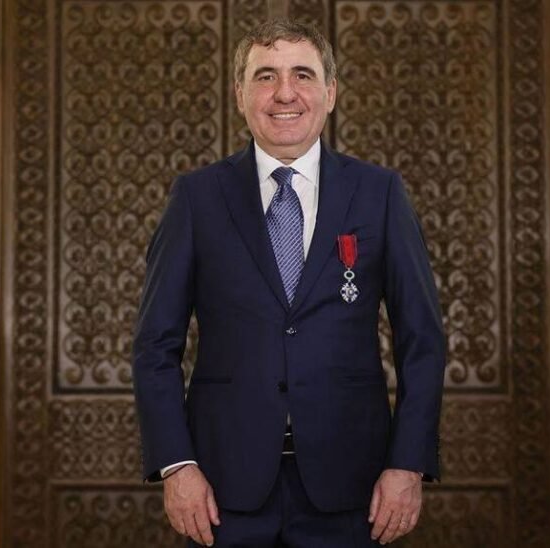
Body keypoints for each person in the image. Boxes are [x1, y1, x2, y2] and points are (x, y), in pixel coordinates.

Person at [132, 19, 445, 548]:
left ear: (331, 92)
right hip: (222, 490)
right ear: (239, 95)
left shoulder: (380, 193)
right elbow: (154, 345)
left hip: (353, 485)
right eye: (265, 76)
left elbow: (423, 341)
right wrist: (176, 464)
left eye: (302, 74)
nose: (284, 93)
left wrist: (408, 463)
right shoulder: (196, 198)